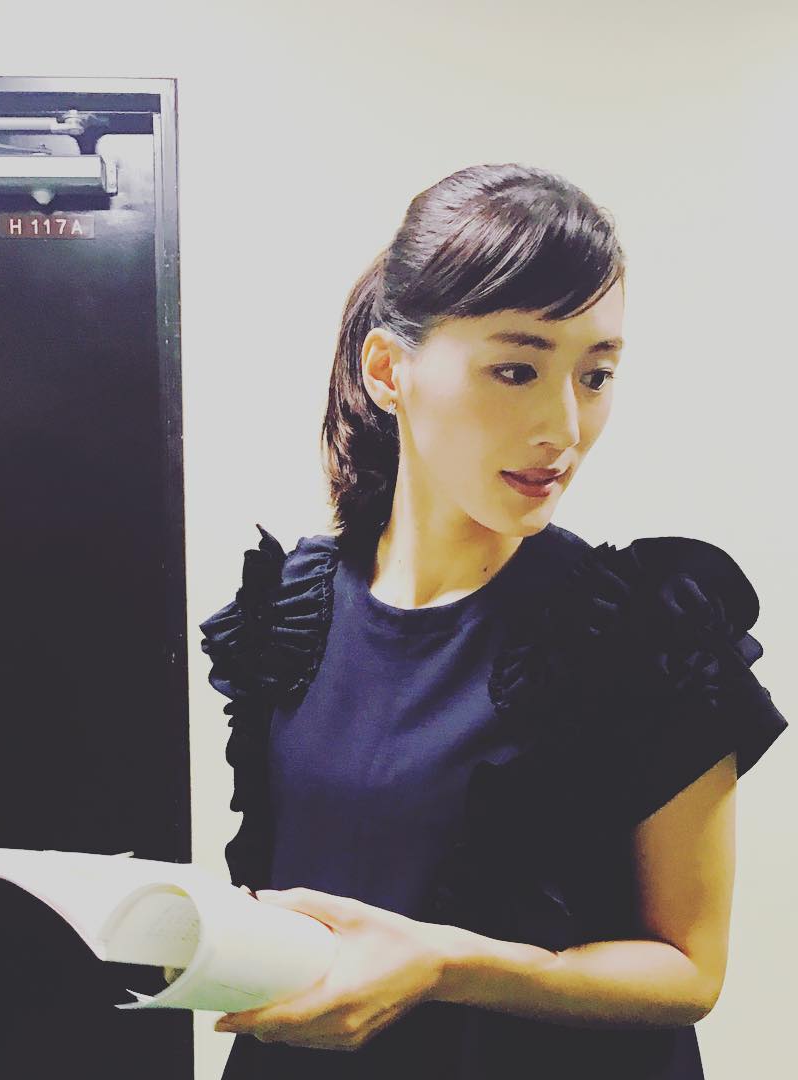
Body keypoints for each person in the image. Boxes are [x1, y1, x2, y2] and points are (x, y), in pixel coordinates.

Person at [196, 162, 789, 1080]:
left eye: (596, 375)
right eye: (517, 369)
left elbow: (689, 969)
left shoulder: (645, 632)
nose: (565, 426)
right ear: (389, 371)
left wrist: (446, 966)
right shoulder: (290, 611)